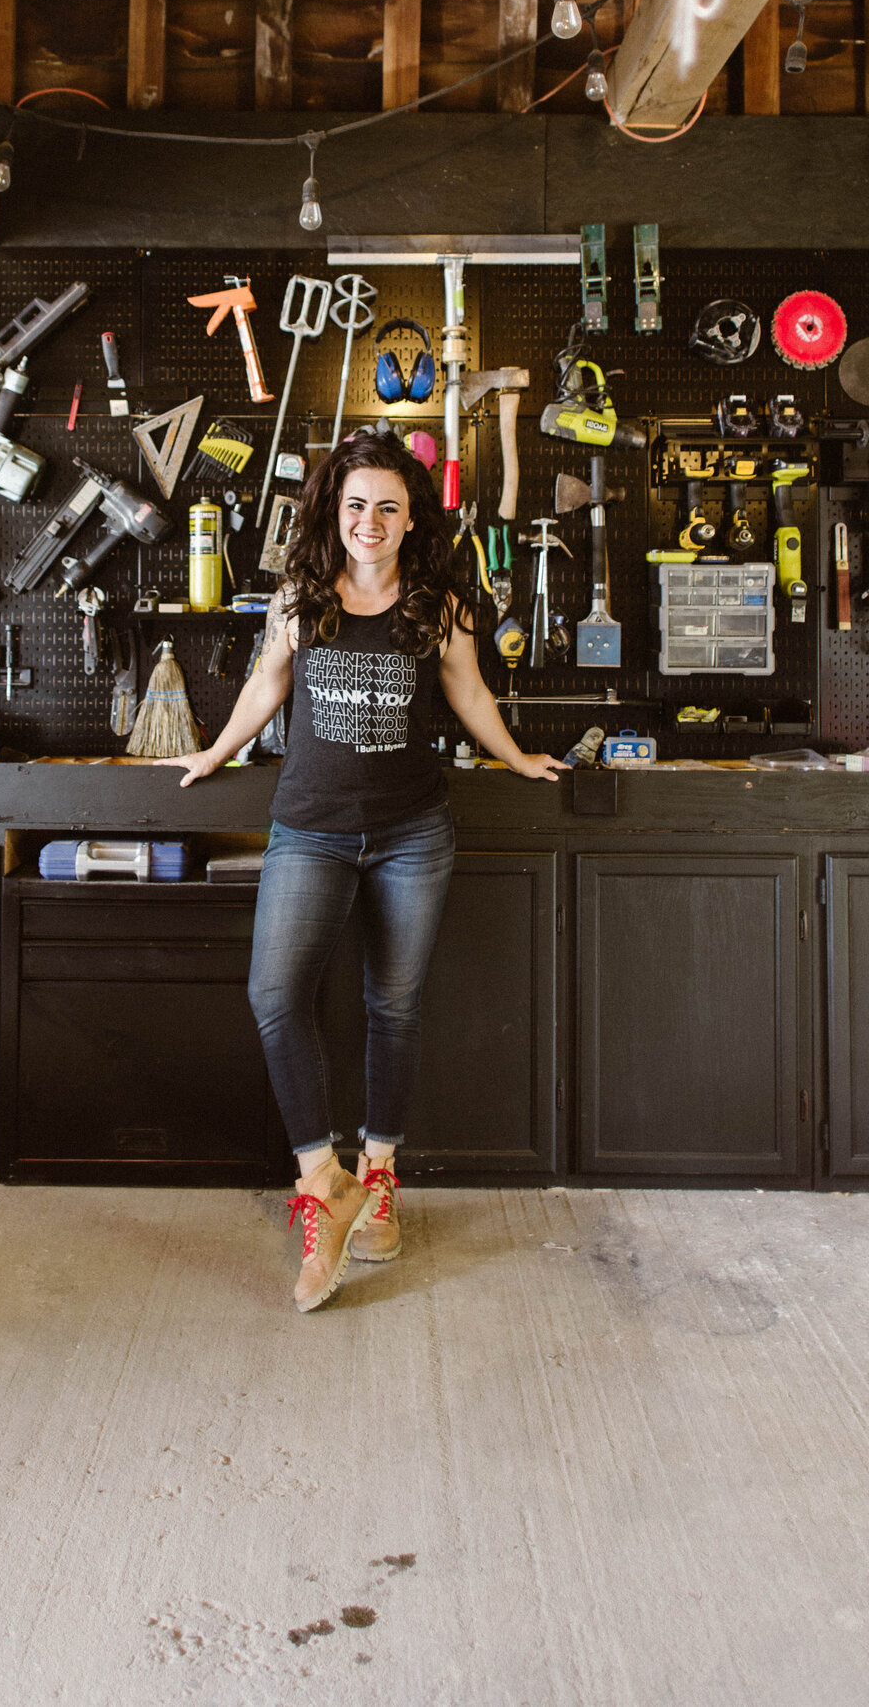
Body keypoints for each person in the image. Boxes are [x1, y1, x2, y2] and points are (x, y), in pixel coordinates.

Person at [166, 430, 560, 1313]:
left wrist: (518, 758)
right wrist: (216, 753)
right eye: (355, 506)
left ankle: (379, 1178)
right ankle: (323, 1179)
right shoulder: (302, 597)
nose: (370, 521)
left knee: (395, 1006)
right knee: (275, 994)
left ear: (411, 515)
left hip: (414, 834)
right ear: (333, 514)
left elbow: (468, 696)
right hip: (310, 831)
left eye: (387, 505)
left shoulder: (439, 606)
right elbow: (267, 686)